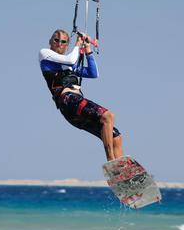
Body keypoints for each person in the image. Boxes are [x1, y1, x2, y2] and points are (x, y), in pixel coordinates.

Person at [39, 29, 123, 161]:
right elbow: (71, 59)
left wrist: (88, 48)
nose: (59, 43)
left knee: (115, 137)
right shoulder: (45, 54)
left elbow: (93, 73)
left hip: (75, 109)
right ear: (50, 41)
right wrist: (78, 44)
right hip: (68, 101)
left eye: (63, 41)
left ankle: (122, 173)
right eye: (56, 40)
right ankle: (111, 161)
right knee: (108, 116)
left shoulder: (70, 67)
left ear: (67, 45)